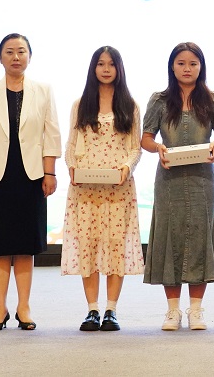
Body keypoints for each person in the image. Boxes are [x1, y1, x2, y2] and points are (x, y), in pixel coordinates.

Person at [0, 33, 61, 332]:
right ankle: (0, 308)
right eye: (9, 52)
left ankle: (24, 307)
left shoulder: (43, 91)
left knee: (24, 245)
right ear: (0, 58)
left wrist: (50, 173)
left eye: (21, 51)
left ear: (30, 57)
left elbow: (52, 134)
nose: (16, 57)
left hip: (31, 176)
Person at [141, 42, 214, 331]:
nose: (187, 68)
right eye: (181, 63)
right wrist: (158, 148)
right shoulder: (159, 99)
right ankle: (172, 311)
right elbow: (145, 138)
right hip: (169, 181)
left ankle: (195, 310)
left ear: (201, 66)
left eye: (193, 63)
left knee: (200, 239)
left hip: (202, 179)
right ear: (172, 66)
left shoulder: (212, 99)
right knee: (170, 238)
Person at [61, 46, 144, 332]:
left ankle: (111, 310)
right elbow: (71, 145)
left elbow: (135, 149)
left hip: (118, 188)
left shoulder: (130, 105)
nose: (106, 69)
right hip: (85, 189)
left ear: (119, 69)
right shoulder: (80, 104)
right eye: (100, 64)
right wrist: (72, 168)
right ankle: (92, 310)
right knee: (89, 246)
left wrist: (126, 169)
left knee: (115, 247)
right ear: (93, 68)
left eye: (111, 64)